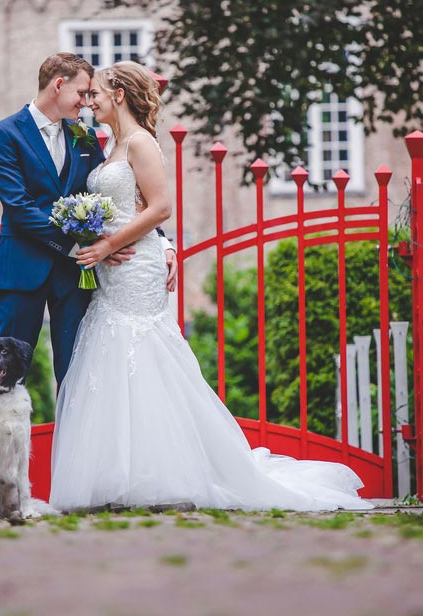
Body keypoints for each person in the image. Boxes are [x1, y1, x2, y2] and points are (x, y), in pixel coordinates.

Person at [47, 60, 371, 512]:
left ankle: (163, 477)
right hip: (115, 270)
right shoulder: (112, 145)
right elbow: (133, 205)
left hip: (134, 268)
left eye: (97, 93)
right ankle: (118, 479)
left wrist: (107, 247)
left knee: (145, 355)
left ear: (118, 94)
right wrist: (99, 239)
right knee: (111, 358)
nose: (90, 101)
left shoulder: (140, 142)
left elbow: (161, 208)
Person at [0, 52, 175, 387]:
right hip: (23, 272)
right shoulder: (4, 134)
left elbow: (123, 198)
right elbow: (19, 208)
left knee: (78, 380)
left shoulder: (84, 136)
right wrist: (81, 247)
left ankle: (69, 441)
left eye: (92, 95)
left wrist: (160, 241)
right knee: (3, 376)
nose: (86, 103)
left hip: (75, 279)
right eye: (82, 93)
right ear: (59, 85)